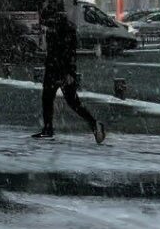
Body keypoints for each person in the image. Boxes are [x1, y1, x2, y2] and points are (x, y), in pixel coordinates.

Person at [34, 7, 106, 143]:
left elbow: (63, 52)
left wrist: (66, 72)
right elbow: (68, 52)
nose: (42, 23)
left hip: (57, 70)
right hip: (59, 70)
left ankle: (49, 129)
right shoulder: (64, 28)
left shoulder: (58, 30)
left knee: (52, 99)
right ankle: (94, 125)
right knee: (70, 102)